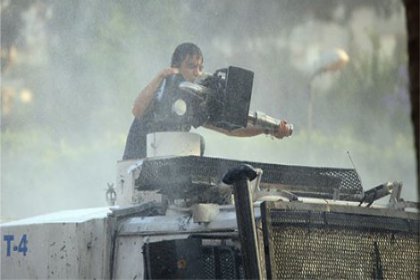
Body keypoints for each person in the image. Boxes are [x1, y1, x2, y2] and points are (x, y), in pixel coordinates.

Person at [122, 42, 291, 160]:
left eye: (200, 67)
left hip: (168, 172)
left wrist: (267, 130)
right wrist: (161, 76)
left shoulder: (195, 101)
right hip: (136, 166)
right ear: (175, 67)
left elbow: (231, 129)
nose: (197, 72)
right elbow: (137, 110)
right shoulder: (160, 91)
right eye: (191, 66)